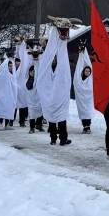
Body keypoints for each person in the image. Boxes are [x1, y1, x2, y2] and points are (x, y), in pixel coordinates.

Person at [39, 17, 79, 145]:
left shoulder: (62, 61)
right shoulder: (48, 61)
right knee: (52, 112)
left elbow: (63, 72)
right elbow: (45, 71)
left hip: (60, 91)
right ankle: (53, 137)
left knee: (61, 114)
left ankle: (62, 138)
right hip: (51, 91)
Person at [0, 51, 18, 126]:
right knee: (3, 108)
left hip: (10, 96)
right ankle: (0, 123)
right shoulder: (4, 75)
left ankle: (7, 124)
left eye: (11, 66)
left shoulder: (13, 75)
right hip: (4, 95)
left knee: (9, 108)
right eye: (9, 66)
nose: (11, 68)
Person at [73, 48, 94, 134]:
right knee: (83, 111)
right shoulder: (80, 79)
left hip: (88, 100)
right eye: (86, 71)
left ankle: (88, 126)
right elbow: (78, 84)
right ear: (83, 71)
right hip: (81, 99)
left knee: (88, 111)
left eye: (89, 71)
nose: (87, 72)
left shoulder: (91, 79)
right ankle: (84, 126)